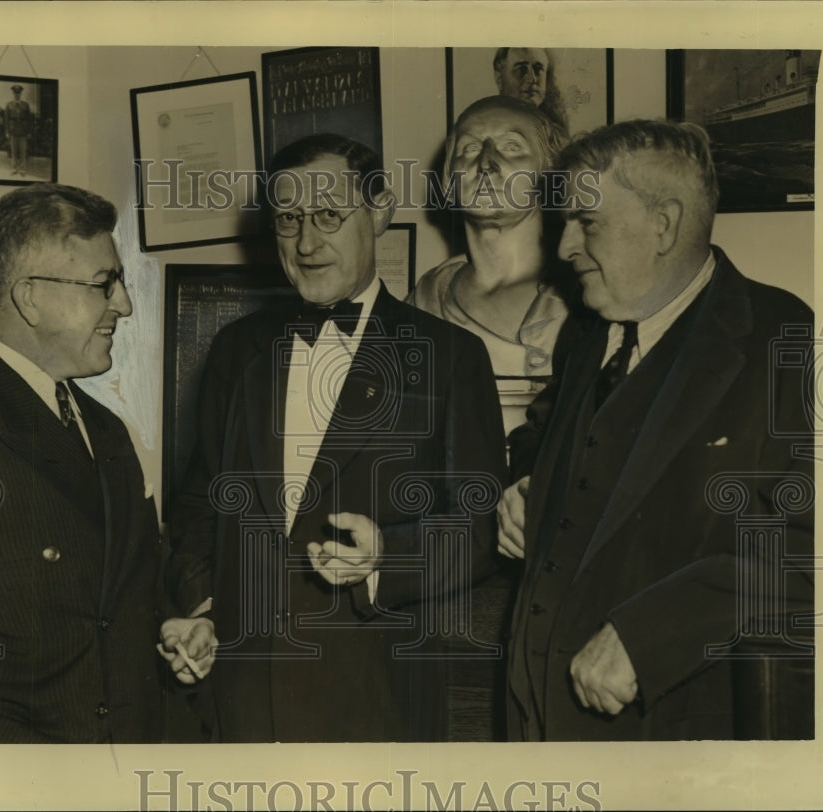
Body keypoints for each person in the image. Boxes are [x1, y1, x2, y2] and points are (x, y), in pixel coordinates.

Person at [162, 133, 507, 742]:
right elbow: (198, 505)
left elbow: (478, 530)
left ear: (380, 212)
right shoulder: (236, 350)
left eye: (328, 215)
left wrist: (385, 557)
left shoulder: (451, 357)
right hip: (240, 699)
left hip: (374, 703)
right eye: (288, 219)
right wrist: (202, 607)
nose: (306, 242)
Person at [496, 119, 815, 741]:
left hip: (671, 738)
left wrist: (652, 634)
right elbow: (541, 434)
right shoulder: (586, 331)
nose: (564, 248)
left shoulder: (787, 341)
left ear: (664, 224)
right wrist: (526, 483)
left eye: (586, 222)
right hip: (535, 729)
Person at [0, 183, 164, 744]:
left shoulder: (106, 429)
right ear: (29, 298)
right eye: (103, 284)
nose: (124, 304)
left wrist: (176, 624)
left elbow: (124, 597)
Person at [408, 95, 574, 437]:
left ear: (550, 173)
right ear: (448, 178)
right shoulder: (427, 298)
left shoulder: (581, 297)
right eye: (469, 149)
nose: (485, 163)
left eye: (512, 147)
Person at [493, 47, 569, 134]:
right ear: (499, 78)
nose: (532, 79)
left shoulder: (556, 134)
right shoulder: (488, 126)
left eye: (538, 69)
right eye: (522, 69)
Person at [4, 84, 32, 175]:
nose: (17, 95)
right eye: (15, 94)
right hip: (13, 130)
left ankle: (23, 169)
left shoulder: (25, 105)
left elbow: (29, 119)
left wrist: (29, 132)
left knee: (23, 151)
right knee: (13, 151)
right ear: (13, 94)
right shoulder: (9, 105)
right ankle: (14, 168)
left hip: (23, 131)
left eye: (18, 94)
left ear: (21, 94)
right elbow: (6, 119)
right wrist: (7, 131)